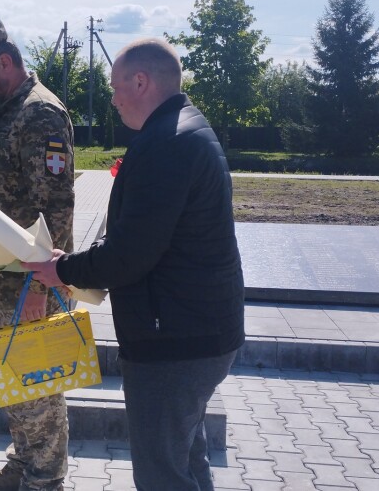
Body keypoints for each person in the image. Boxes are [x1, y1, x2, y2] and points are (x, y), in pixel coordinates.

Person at [22, 38, 245, 491]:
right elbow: (148, 234)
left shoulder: (167, 144)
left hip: (175, 342)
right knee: (186, 460)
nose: (112, 99)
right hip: (198, 330)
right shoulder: (186, 128)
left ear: (140, 81)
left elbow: (131, 255)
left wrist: (61, 271)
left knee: (163, 474)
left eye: (114, 86)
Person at [0, 14, 75, 491]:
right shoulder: (6, 107)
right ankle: (23, 465)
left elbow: (57, 209)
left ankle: (46, 480)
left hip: (26, 282)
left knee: (39, 387)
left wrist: (40, 286)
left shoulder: (39, 113)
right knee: (16, 384)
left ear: (4, 62)